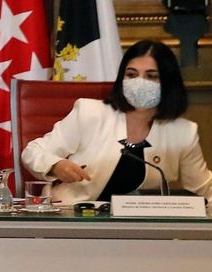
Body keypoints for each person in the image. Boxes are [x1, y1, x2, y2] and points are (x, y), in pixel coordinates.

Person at [21, 40, 212, 204]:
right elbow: (33, 151)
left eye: (151, 76)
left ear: (169, 83)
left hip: (140, 232)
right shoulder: (90, 113)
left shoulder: (183, 132)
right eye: (131, 74)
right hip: (73, 220)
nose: (139, 82)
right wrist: (56, 165)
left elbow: (203, 188)